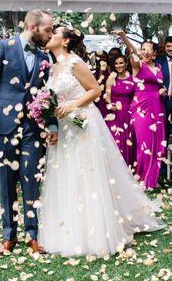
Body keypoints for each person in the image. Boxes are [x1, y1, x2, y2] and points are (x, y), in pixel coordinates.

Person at [38, 25, 165, 256]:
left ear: (65, 41)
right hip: (66, 128)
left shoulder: (75, 63)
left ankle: (95, 232)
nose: (49, 36)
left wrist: (72, 105)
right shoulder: (54, 67)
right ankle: (68, 229)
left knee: (86, 174)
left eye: (54, 33)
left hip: (83, 123)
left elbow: (94, 90)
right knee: (67, 174)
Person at [0, 10, 57, 255]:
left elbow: (47, 93)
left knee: (32, 179)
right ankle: (9, 235)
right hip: (2, 126)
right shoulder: (2, 47)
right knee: (6, 181)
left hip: (33, 128)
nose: (51, 34)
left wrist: (52, 123)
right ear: (32, 27)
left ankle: (32, 235)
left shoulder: (44, 57)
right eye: (48, 30)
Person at [115, 31, 166, 189]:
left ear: (155, 53)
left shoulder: (158, 67)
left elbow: (159, 84)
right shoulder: (138, 65)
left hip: (158, 105)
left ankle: (153, 177)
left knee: (157, 143)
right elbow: (133, 52)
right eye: (143, 49)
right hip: (141, 106)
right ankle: (143, 177)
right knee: (144, 142)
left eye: (148, 49)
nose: (145, 51)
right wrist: (124, 38)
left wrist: (163, 89)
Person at [105, 55, 135, 166]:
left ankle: (128, 166)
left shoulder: (133, 79)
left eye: (121, 63)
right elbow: (107, 96)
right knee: (115, 140)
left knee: (128, 140)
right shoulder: (111, 79)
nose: (119, 66)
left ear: (126, 64)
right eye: (116, 63)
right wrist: (110, 104)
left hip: (128, 113)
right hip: (115, 114)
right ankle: (115, 167)